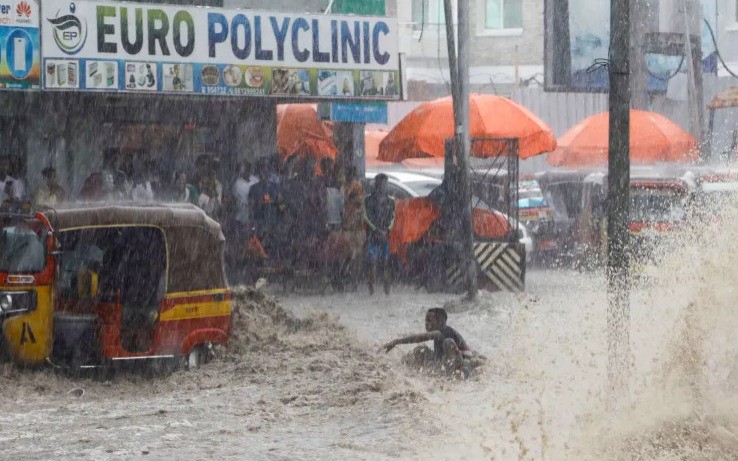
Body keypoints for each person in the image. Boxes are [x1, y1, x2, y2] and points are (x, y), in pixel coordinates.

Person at [381, 307, 482, 379]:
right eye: (425, 321)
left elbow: (420, 337)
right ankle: (405, 373)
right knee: (420, 351)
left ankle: (449, 379)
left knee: (448, 342)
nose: (426, 324)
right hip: (449, 364)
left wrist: (396, 342)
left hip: (464, 367)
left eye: (429, 321)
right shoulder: (438, 335)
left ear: (441, 321)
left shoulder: (444, 330)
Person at [364, 173, 396, 295]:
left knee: (386, 264)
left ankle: (387, 293)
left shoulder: (391, 201)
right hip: (372, 237)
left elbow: (393, 218)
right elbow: (366, 217)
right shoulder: (368, 200)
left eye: (385, 184)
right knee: (373, 264)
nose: (384, 186)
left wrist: (386, 230)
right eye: (382, 183)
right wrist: (376, 230)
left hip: (385, 237)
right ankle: (371, 292)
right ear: (376, 184)